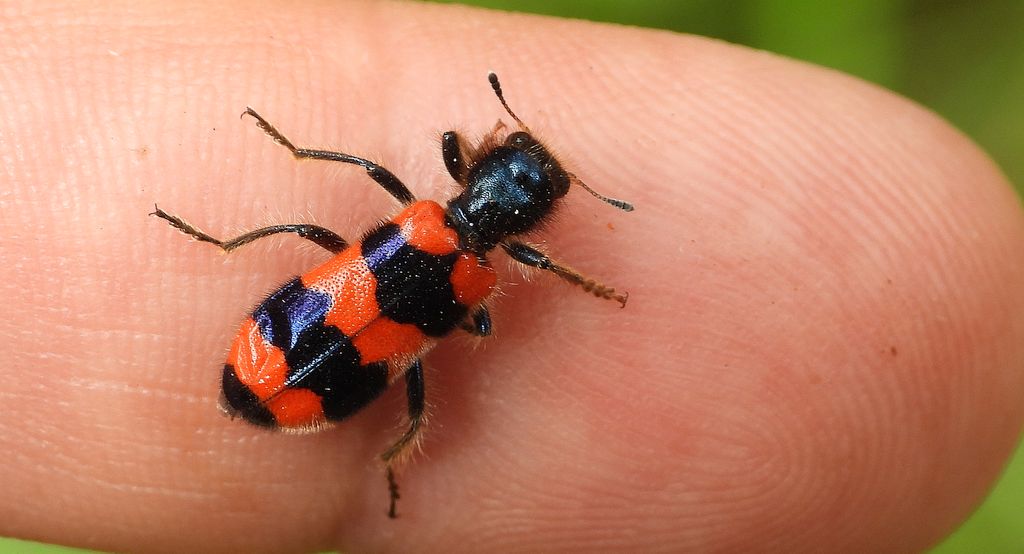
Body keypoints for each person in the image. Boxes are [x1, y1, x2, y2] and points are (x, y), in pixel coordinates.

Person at [1, 2, 1022, 552]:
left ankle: (354, 401)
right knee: (422, 358)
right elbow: (467, 311)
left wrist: (583, 286)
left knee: (364, 251)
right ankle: (388, 442)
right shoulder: (467, 267)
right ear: (512, 208)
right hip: (293, 367)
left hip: (292, 360)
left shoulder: (434, 229)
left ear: (471, 170)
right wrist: (582, 287)